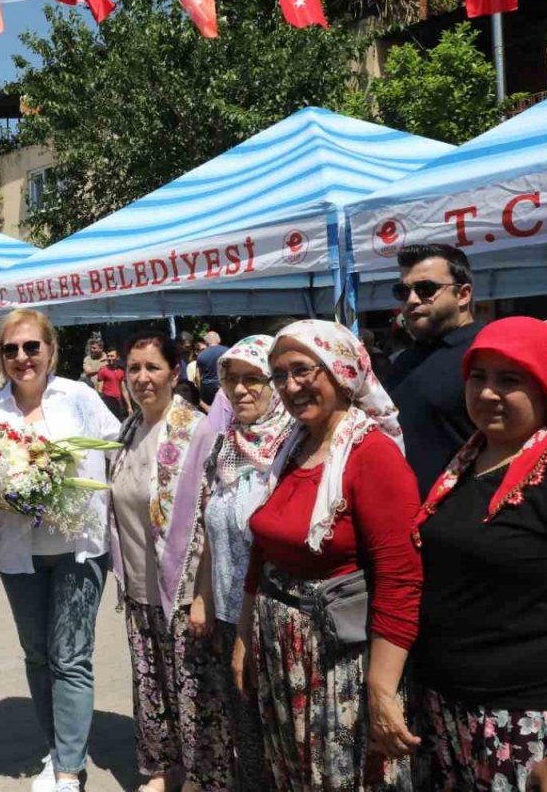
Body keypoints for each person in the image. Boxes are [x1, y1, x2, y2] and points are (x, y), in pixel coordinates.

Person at [233, 320, 421, 791]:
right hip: (282, 648)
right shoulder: (290, 447)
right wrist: (244, 637)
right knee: (294, 775)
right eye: (279, 375)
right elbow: (263, 550)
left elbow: (400, 580)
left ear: (341, 369)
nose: (291, 387)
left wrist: (381, 691)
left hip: (339, 659)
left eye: (302, 371)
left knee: (343, 778)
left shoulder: (371, 455)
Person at [412, 318, 547, 791]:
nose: (488, 393)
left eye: (510, 380)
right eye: (479, 376)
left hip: (526, 720)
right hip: (446, 708)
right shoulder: (465, 460)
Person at [0, 309, 121, 792]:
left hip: (80, 548)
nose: (22, 357)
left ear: (51, 350)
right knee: (37, 655)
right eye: (11, 349)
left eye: (31, 346)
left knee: (71, 657)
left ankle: (68, 769)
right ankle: (55, 748)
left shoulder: (79, 398)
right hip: (19, 554)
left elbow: (118, 449)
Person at [108, 331, 222, 792]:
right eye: (134, 368)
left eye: (152, 367)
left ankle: (202, 774)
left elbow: (213, 517)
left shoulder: (197, 429)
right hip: (139, 583)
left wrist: (203, 594)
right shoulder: (129, 429)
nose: (142, 378)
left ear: (175, 372)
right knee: (152, 681)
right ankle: (162, 767)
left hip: (184, 587)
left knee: (194, 687)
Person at [201, 336, 293, 791]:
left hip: (273, 623)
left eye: (253, 379)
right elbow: (210, 533)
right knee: (247, 738)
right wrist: (203, 598)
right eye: (231, 380)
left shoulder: (293, 450)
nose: (240, 390)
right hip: (225, 614)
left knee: (284, 741)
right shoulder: (223, 448)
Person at [384, 243, 483, 495]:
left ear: (463, 294)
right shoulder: (404, 361)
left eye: (426, 289)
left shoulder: (489, 351)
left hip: (470, 519)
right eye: (402, 291)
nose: (412, 300)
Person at [194, 331, 228, 407]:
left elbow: (197, 376)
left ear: (206, 341)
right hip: (222, 386)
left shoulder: (201, 355)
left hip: (207, 388)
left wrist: (200, 391)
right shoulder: (227, 351)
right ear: (218, 339)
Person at [95, 350, 130, 420]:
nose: (110, 358)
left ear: (117, 358)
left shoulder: (121, 371)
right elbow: (100, 390)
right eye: (108, 356)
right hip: (108, 402)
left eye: (112, 356)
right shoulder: (103, 371)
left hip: (119, 402)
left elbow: (124, 390)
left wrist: (129, 406)